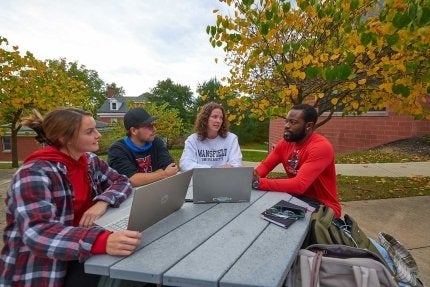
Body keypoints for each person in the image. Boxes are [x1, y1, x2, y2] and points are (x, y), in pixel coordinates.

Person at [0, 108, 141, 287]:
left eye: (95, 129)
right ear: (64, 138)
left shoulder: (89, 161)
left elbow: (122, 182)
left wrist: (102, 201)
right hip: (45, 266)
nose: (98, 135)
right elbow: (38, 233)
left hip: (83, 249)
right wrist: (101, 241)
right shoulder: (33, 173)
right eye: (89, 132)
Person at [253, 104, 342, 217]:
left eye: (293, 122)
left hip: (324, 207)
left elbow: (299, 185)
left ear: (308, 126)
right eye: (286, 121)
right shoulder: (284, 144)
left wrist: (258, 183)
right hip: (297, 198)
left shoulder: (321, 147)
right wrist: (250, 177)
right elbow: (265, 166)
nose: (286, 126)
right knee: (261, 211)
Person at [108, 107, 178, 187]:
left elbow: (171, 168)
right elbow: (131, 180)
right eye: (148, 126)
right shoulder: (118, 149)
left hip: (158, 191)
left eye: (153, 125)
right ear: (134, 130)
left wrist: (143, 178)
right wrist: (164, 174)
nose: (154, 129)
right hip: (131, 196)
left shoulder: (156, 142)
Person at [180, 102, 242, 171]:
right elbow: (185, 164)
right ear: (205, 119)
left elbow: (236, 164)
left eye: (221, 118)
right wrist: (214, 169)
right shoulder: (193, 140)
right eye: (214, 117)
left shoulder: (231, 138)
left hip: (224, 180)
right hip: (201, 180)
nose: (218, 121)